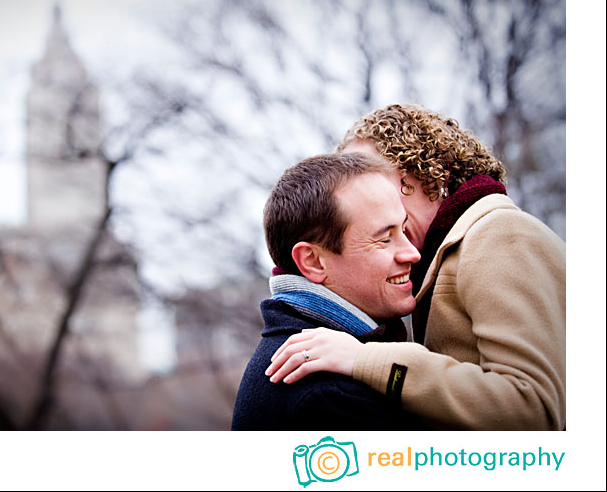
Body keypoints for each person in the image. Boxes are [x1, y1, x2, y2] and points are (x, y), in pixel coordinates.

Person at [266, 103, 566, 430]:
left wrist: (366, 361)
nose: (371, 196)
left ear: (430, 173)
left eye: (374, 175)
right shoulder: (445, 254)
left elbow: (534, 408)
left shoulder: (498, 234)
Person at [231, 153, 428, 430]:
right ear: (313, 261)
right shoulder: (328, 395)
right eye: (384, 238)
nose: (412, 253)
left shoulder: (326, 359)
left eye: (404, 230)